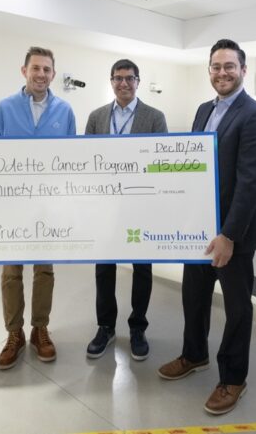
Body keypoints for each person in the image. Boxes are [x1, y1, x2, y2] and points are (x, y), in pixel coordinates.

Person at [157, 39, 256, 415]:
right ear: (209, 70)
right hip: (199, 228)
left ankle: (234, 378)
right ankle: (194, 355)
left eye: (229, 66)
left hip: (232, 233)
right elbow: (196, 168)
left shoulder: (255, 115)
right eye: (215, 66)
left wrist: (229, 236)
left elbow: (250, 182)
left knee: (238, 308)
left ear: (243, 69)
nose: (222, 72)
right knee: (193, 296)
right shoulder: (204, 110)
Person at [0, 46, 76, 369]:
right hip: (11, 206)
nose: (41, 74)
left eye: (47, 69)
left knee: (44, 269)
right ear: (23, 71)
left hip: (48, 207)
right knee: (11, 272)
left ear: (53, 74)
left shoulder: (65, 111)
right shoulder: (3, 109)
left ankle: (40, 329)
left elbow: (70, 159)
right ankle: (14, 333)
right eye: (35, 68)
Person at [84, 58, 168, 361]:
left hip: (140, 206)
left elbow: (159, 165)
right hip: (105, 208)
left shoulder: (154, 117)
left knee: (142, 269)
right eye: (118, 78)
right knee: (103, 269)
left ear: (138, 82)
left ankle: (137, 327)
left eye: (129, 78)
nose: (124, 83)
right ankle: (105, 326)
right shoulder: (96, 117)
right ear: (111, 81)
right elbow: (88, 161)